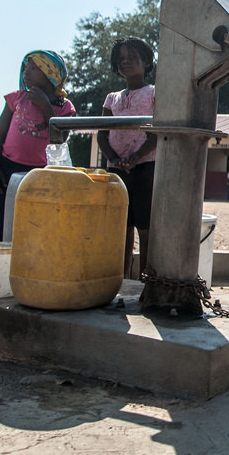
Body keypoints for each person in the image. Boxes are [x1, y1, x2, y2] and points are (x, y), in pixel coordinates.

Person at [0, 50, 76, 241]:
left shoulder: (65, 107)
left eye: (34, 68)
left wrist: (45, 106)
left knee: (35, 222)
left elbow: (60, 140)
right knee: (2, 223)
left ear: (51, 72)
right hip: (8, 168)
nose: (26, 72)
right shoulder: (16, 98)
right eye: (25, 67)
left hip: (41, 173)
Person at [97, 37, 157, 280]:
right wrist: (115, 158)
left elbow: (157, 133)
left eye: (132, 58)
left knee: (145, 226)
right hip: (117, 168)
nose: (126, 62)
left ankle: (146, 279)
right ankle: (120, 280)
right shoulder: (112, 99)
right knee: (122, 226)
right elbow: (102, 134)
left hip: (146, 166)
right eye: (121, 59)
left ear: (146, 62)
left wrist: (135, 157)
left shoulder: (153, 93)